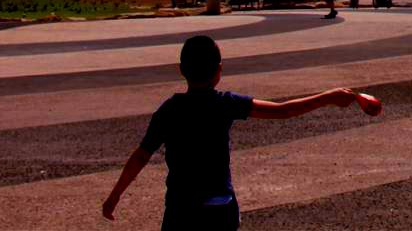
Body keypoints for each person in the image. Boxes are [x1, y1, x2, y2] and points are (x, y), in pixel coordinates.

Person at [101, 34, 367, 228]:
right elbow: (283, 110)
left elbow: (141, 156)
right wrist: (328, 96)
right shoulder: (225, 103)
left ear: (181, 70)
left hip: (181, 209)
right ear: (219, 71)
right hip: (220, 207)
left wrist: (115, 195)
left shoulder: (170, 109)